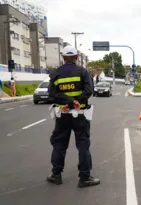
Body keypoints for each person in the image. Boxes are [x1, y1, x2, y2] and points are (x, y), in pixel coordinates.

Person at [47, 46, 100, 188]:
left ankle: (56, 175)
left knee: (59, 144)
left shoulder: (56, 73)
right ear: (76, 57)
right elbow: (89, 90)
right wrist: (75, 102)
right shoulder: (83, 72)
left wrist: (67, 103)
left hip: (62, 115)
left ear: (63, 58)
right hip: (80, 115)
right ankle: (85, 178)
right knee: (83, 145)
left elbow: (52, 94)